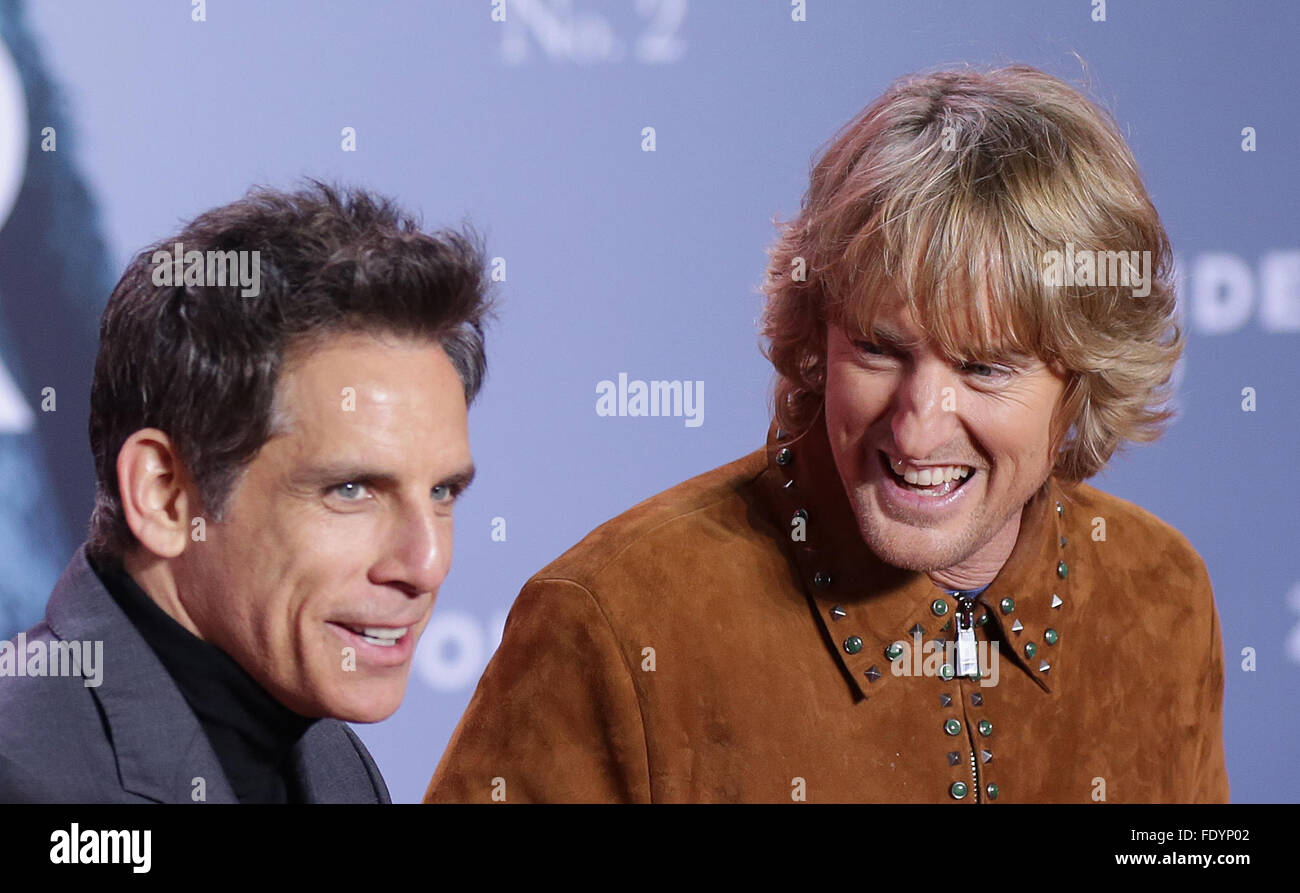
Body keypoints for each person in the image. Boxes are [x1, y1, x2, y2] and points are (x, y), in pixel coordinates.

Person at [425, 65, 1229, 803]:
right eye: (879, 349)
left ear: (1084, 378)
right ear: (816, 340)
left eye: (985, 368)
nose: (917, 429)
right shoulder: (609, 621)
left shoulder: (1163, 592)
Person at [0, 182, 491, 803]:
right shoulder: (23, 776)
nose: (426, 564)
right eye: (350, 490)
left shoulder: (333, 765)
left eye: (443, 491)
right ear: (164, 495)